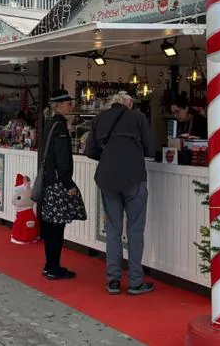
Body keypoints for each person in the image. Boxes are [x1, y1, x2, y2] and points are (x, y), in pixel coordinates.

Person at [85, 91, 156, 295]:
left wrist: (109, 157)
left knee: (113, 231)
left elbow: (90, 151)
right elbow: (150, 149)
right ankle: (135, 282)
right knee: (135, 230)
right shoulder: (137, 117)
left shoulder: (99, 118)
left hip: (107, 179)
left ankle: (113, 281)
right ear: (128, 103)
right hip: (134, 178)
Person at [39, 89, 87, 280]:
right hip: (59, 183)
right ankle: (53, 267)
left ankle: (50, 264)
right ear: (58, 106)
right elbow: (62, 159)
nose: (71, 106)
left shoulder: (50, 124)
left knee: (51, 226)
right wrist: (68, 183)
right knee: (56, 228)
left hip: (49, 181)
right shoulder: (60, 127)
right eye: (68, 103)